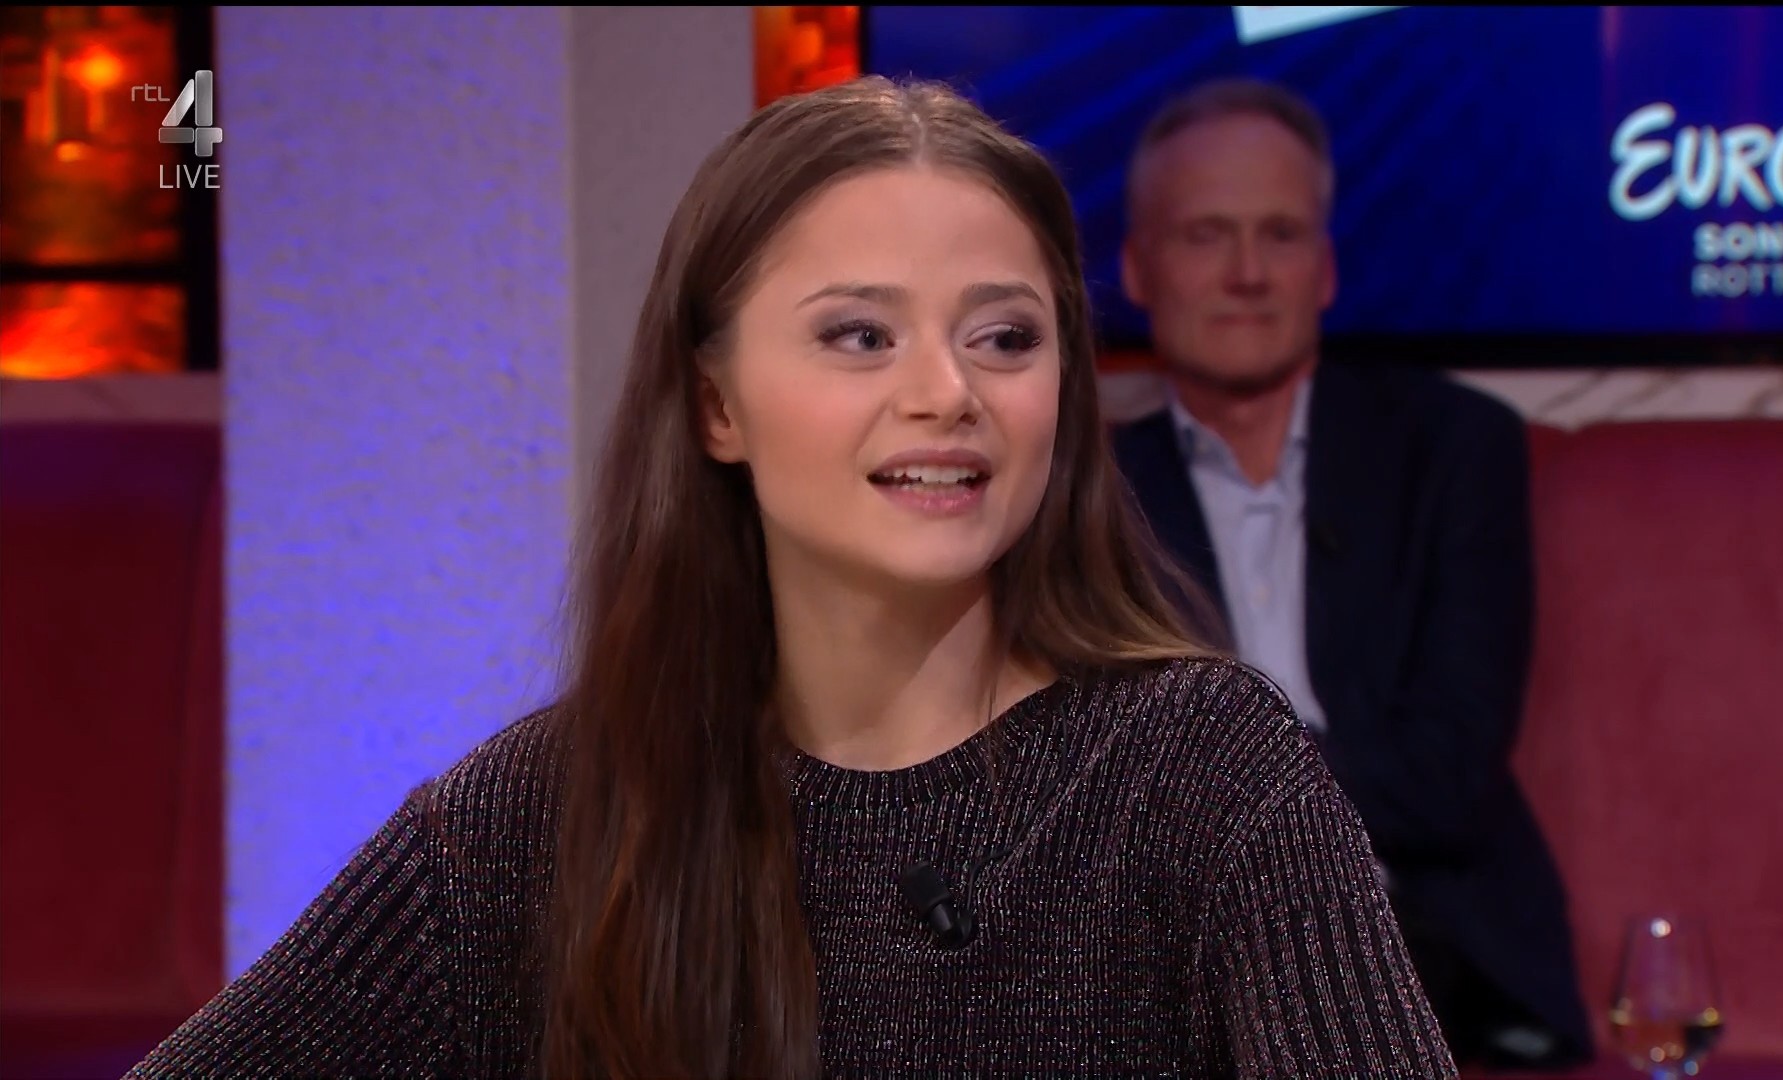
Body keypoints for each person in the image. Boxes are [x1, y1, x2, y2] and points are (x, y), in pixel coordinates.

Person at [126, 75, 1456, 1079]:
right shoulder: (544, 815)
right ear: (717, 405)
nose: (947, 393)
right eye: (860, 336)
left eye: (1005, 336)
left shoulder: (1205, 767)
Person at [1108, 77, 1594, 1071]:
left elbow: (1448, 775)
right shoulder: (1087, 493)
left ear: (1325, 270)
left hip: (1430, 947)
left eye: (1280, 234)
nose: (1248, 272)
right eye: (1206, 235)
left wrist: (1211, 781)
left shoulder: (1455, 451)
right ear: (1138, 269)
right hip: (1173, 950)